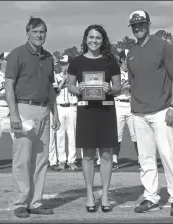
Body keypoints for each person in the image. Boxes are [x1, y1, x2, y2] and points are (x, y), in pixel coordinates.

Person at [127, 10, 173, 216]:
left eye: (141, 24)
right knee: (145, 158)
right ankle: (151, 197)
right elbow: (134, 82)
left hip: (162, 110)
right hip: (138, 112)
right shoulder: (131, 52)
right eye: (134, 25)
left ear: (148, 24)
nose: (138, 28)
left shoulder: (163, 46)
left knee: (169, 156)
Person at [5, 17, 60, 218]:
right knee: (22, 159)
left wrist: (55, 113)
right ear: (27, 32)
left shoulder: (48, 57)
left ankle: (36, 202)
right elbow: (9, 85)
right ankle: (20, 202)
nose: (39, 35)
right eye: (35, 31)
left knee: (41, 159)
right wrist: (14, 113)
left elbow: (50, 87)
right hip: (24, 109)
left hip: (44, 109)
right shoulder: (17, 54)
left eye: (42, 32)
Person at [67, 24, 121, 213]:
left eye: (98, 38)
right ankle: (90, 193)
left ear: (103, 40)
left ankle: (105, 194)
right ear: (85, 39)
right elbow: (70, 87)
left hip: (106, 111)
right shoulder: (77, 62)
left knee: (106, 155)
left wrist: (110, 89)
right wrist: (79, 89)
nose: (94, 41)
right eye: (91, 37)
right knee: (88, 156)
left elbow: (118, 88)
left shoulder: (110, 61)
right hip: (86, 111)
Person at [112, 49, 138, 171]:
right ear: (123, 59)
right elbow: (110, 92)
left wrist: (132, 88)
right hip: (118, 104)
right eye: (129, 58)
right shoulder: (114, 73)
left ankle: (141, 160)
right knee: (117, 134)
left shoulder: (134, 72)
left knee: (136, 134)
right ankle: (114, 161)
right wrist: (122, 88)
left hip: (131, 104)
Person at [54, 55, 78, 171]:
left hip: (72, 107)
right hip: (60, 107)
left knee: (72, 135)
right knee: (60, 135)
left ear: (70, 64)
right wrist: (64, 80)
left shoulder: (76, 77)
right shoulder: (56, 76)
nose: (62, 66)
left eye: (64, 64)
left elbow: (80, 91)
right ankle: (62, 161)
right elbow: (55, 90)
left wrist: (70, 80)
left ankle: (72, 161)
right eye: (61, 64)